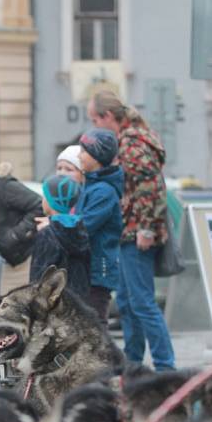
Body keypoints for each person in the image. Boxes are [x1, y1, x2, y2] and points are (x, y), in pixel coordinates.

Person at [88, 90, 176, 369]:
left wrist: (147, 230)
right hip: (130, 231)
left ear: (109, 117)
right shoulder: (130, 139)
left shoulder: (131, 143)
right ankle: (134, 362)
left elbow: (150, 189)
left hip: (137, 234)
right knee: (127, 302)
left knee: (142, 303)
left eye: (95, 120)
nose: (94, 126)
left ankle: (165, 365)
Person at [76, 128, 124, 326]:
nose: (79, 155)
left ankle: (105, 358)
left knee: (96, 325)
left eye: (84, 151)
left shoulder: (103, 192)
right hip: (88, 269)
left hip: (99, 270)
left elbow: (85, 226)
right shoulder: (92, 186)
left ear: (96, 157)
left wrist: (55, 224)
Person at [29, 174, 91, 298]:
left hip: (52, 305)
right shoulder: (80, 228)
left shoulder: (47, 233)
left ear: (50, 201)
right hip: (76, 303)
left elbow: (40, 275)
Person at [0, 161, 43, 295]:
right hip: (10, 258)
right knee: (6, 304)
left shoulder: (5, 186)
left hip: (25, 256)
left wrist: (15, 235)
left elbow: (40, 205)